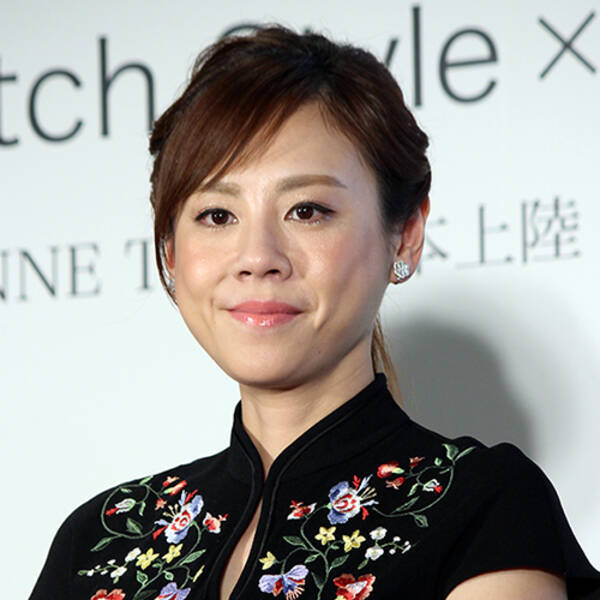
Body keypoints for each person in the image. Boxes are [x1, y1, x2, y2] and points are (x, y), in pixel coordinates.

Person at [30, 24, 600, 600]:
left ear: (405, 235)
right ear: (171, 251)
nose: (258, 258)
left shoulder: (483, 505)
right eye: (217, 215)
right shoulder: (99, 543)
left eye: (307, 210)